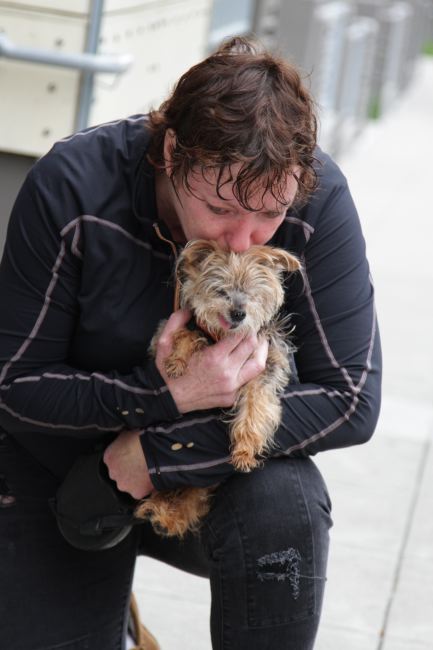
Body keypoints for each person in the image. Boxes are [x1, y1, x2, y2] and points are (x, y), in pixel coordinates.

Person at [0, 36, 381, 649]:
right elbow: (15, 384)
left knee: (286, 509)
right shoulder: (71, 186)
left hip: (211, 478)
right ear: (172, 151)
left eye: (270, 216)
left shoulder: (317, 196)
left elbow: (352, 398)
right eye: (222, 208)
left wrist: (155, 455)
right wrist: (163, 394)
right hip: (56, 462)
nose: (243, 240)